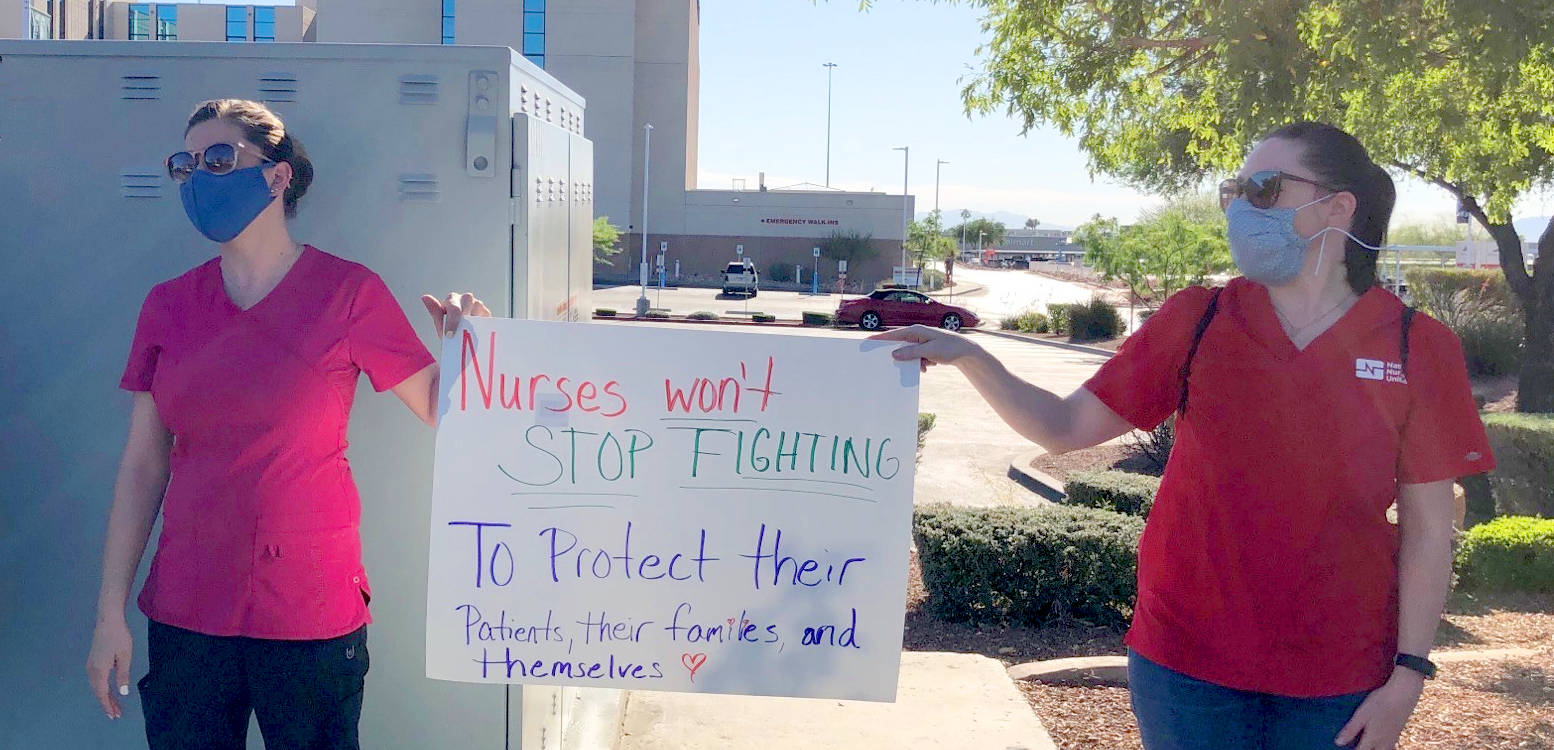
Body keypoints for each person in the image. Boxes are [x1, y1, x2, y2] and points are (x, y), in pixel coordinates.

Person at [878, 122, 1493, 750]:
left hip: (1339, 676)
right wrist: (970, 357)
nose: (1239, 208)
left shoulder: (1418, 346)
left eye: (1264, 188)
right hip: (1185, 667)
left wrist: (1408, 678)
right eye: (1234, 191)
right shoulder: (1196, 320)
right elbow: (1062, 427)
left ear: (1338, 206)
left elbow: (1428, 529)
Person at [84, 99, 487, 749]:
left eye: (220, 158)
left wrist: (472, 343)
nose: (199, 177)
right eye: (185, 165)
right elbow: (142, 466)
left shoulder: (347, 294)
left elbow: (447, 407)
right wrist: (110, 611)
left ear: (276, 177)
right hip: (188, 614)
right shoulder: (169, 306)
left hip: (311, 617)